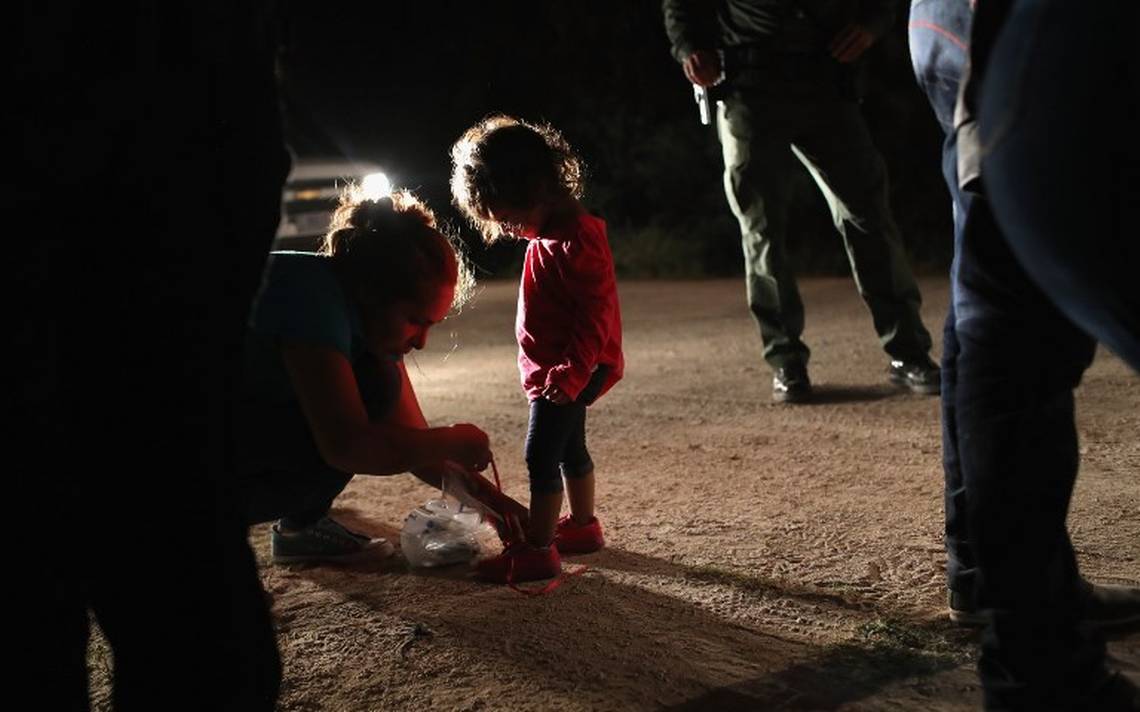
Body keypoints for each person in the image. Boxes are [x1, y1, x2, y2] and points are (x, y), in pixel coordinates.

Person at [912, 0, 1140, 708]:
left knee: (995, 314)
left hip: (965, 33)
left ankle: (1016, 625)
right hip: (1035, 42)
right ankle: (1032, 648)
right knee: (1007, 329)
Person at [662, 0, 940, 403]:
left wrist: (870, 25)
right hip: (749, 84)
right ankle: (786, 360)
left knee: (868, 216)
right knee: (762, 228)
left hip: (825, 82)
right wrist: (688, 49)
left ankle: (908, 352)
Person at [236, 188, 494, 563]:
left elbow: (416, 449)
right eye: (414, 321)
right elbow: (349, 446)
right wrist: (450, 441)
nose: (421, 342)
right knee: (374, 389)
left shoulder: (357, 311)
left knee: (377, 382)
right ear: (371, 293)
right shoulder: (309, 299)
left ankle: (301, 526)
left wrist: (505, 513)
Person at [449, 115, 624, 584]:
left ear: (537, 188)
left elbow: (596, 315)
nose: (506, 229)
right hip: (561, 368)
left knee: (540, 455)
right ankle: (583, 527)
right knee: (570, 448)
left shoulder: (576, 239)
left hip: (570, 370)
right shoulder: (548, 235)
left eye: (508, 217)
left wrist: (569, 374)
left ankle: (538, 550)